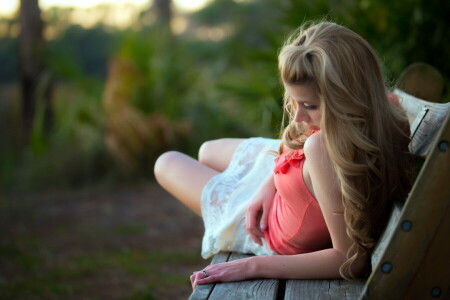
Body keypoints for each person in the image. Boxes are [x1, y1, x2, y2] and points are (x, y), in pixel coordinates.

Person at [153, 21, 445, 290]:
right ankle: (262, 183)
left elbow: (350, 260)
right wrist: (270, 185)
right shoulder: (380, 110)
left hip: (269, 227)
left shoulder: (321, 149)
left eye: (309, 105)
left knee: (166, 162)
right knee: (206, 150)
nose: (298, 116)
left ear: (347, 99)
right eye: (293, 101)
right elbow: (301, 145)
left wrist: (253, 266)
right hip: (282, 182)